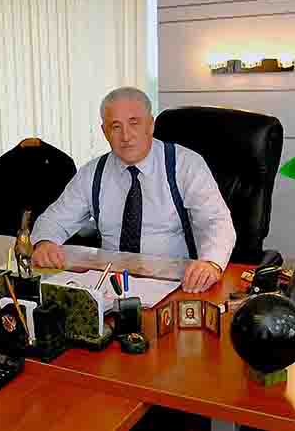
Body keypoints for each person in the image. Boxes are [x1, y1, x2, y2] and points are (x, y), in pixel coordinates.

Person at [31, 87, 236, 293]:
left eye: (134, 123)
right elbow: (54, 219)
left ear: (151, 124)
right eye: (115, 126)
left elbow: (216, 221)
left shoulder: (185, 165)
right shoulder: (92, 173)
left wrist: (210, 262)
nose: (126, 136)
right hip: (111, 284)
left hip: (177, 283)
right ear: (104, 132)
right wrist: (45, 242)